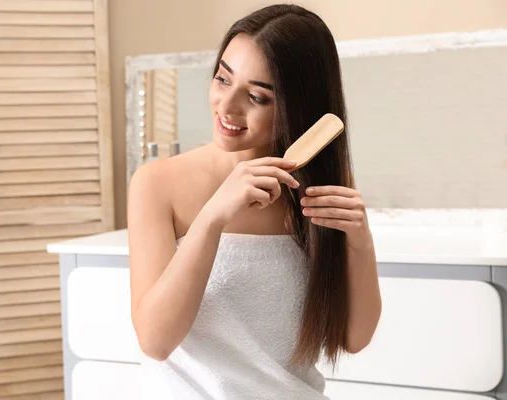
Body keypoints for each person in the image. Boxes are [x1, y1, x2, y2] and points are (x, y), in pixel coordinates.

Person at [127, 4, 382, 399]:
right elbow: (156, 341)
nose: (227, 107)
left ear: (300, 108)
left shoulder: (319, 189)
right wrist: (213, 217)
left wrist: (360, 241)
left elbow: (354, 337)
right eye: (222, 79)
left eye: (258, 97)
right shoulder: (157, 184)